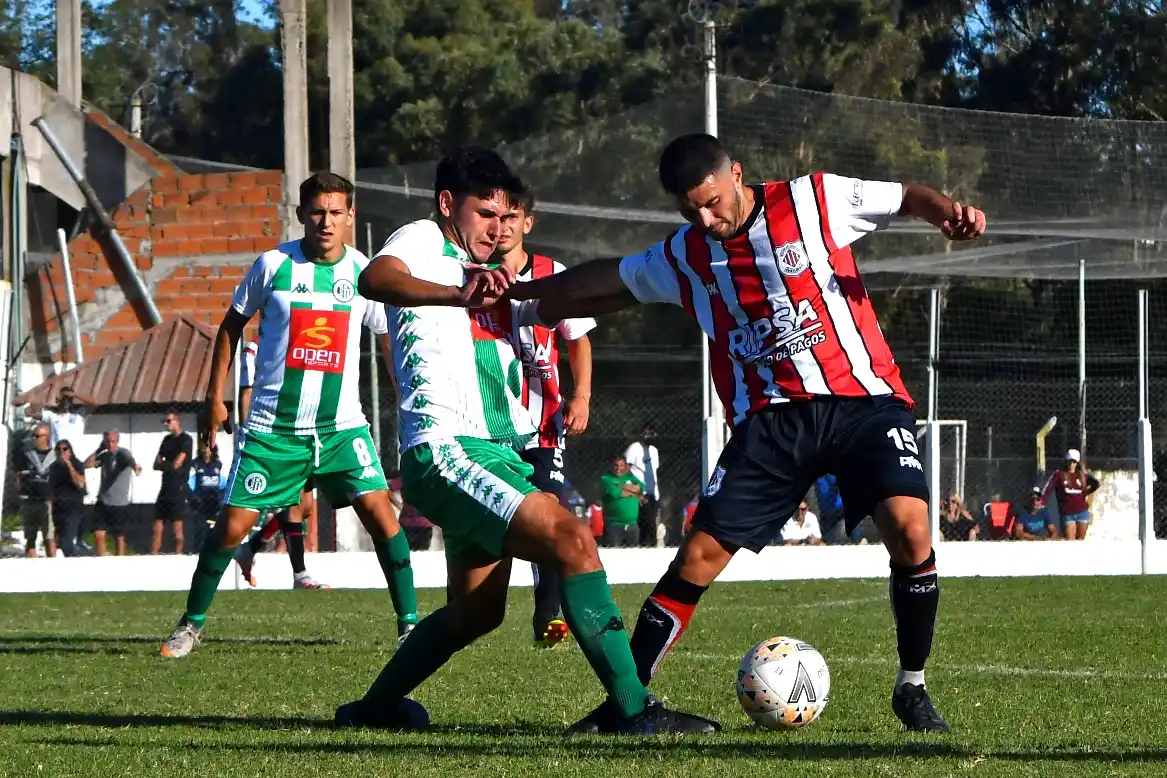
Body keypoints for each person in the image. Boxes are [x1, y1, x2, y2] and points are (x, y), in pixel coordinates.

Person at [507, 132, 988, 733]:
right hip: (770, 423)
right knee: (699, 556)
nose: (706, 219)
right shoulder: (684, 254)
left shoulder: (815, 198)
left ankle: (912, 688)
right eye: (691, 211)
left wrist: (947, 213)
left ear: (737, 173)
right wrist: (523, 294)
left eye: (713, 201)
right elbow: (611, 277)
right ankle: (625, 703)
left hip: (863, 401)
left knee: (912, 531)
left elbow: (907, 196)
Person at [341, 147, 713, 735]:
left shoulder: (493, 272)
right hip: (447, 450)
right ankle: (635, 712)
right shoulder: (422, 241)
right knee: (573, 539)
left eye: (505, 214)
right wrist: (454, 292)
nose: (497, 226)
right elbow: (373, 278)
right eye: (485, 212)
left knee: (476, 614)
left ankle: (372, 709)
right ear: (446, 205)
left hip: (496, 455)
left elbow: (567, 318)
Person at [160, 172, 419, 658]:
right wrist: (213, 398)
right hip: (273, 431)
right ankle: (191, 624)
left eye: (336, 212)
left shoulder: (364, 273)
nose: (326, 221)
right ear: (301, 214)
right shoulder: (273, 265)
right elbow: (231, 326)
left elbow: (387, 336)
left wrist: (403, 391)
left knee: (383, 516)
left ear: (350, 217)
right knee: (233, 527)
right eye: (317, 211)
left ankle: (410, 626)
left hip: (342, 427)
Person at [492, 184, 596, 648]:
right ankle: (471, 605)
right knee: (501, 520)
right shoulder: (474, 276)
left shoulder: (554, 274)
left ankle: (548, 613)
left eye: (513, 217)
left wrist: (582, 397)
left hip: (545, 422)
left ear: (527, 223)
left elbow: (578, 340)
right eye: (496, 216)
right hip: (490, 424)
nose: (504, 225)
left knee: (552, 510)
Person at [232, 338, 330, 590]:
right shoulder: (254, 350)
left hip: (302, 429)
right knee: (294, 505)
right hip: (275, 435)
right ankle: (301, 576)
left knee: (305, 506)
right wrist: (247, 433)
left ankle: (249, 548)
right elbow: (246, 392)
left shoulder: (301, 345)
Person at [85, 429, 142, 556]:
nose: (111, 445)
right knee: (99, 533)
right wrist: (98, 450)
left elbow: (130, 460)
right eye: (108, 442)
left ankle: (119, 561)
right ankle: (101, 559)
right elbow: (87, 464)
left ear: (117, 441)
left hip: (119, 503)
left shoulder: (122, 453)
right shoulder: (104, 455)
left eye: (113, 441)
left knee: (119, 537)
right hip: (103, 500)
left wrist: (136, 467)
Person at [152, 411, 193, 554]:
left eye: (169, 421)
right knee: (157, 524)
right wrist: (167, 465)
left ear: (177, 421)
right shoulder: (166, 440)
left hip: (178, 487)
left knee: (177, 526)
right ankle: (154, 553)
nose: (166, 424)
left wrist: (165, 465)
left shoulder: (186, 439)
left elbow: (178, 464)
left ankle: (178, 553)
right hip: (165, 486)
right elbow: (156, 463)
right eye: (165, 421)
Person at [1042, 448, 1099, 541]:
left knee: (1080, 540)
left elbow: (1096, 484)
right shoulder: (1059, 474)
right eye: (1069, 461)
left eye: (1074, 461)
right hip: (1067, 513)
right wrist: (1042, 501)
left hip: (1082, 512)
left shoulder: (1082, 475)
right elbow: (1048, 488)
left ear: (1077, 463)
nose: (1071, 464)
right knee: (1070, 541)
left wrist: (1085, 493)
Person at [17, 424, 55, 557]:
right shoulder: (27, 455)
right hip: (30, 499)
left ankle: (52, 566)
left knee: (49, 537)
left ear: (47, 437)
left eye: (37, 436)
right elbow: (19, 475)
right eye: (33, 435)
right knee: (30, 537)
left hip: (47, 501)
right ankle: (31, 567)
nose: (34, 438)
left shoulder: (54, 456)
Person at [22, 385, 99, 447]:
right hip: (55, 456)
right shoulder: (51, 415)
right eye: (63, 399)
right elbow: (28, 413)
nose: (66, 401)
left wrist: (74, 395)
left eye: (68, 399)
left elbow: (94, 403)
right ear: (58, 400)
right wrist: (40, 404)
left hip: (74, 455)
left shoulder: (80, 413)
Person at [48, 439, 87, 556]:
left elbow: (80, 484)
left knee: (67, 542)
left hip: (73, 508)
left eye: (65, 449)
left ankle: (77, 555)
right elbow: (50, 487)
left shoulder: (77, 464)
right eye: (58, 450)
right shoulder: (54, 467)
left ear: (70, 451)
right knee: (58, 541)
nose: (62, 452)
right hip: (58, 508)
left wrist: (69, 465)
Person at [624, 424, 661, 546]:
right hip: (639, 494)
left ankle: (651, 547)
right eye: (647, 433)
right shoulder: (634, 448)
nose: (650, 436)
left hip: (652, 494)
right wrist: (633, 491)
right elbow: (625, 468)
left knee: (652, 526)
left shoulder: (654, 451)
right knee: (643, 525)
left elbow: (653, 471)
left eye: (652, 433)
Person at [599, 456, 646, 547]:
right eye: (616, 466)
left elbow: (639, 487)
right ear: (611, 466)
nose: (618, 469)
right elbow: (616, 493)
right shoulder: (606, 479)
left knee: (633, 553)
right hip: (614, 525)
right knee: (614, 554)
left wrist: (620, 485)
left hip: (632, 524)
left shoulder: (630, 477)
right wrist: (632, 493)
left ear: (625, 466)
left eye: (621, 465)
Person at [190, 442, 226, 551]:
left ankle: (215, 549)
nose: (206, 450)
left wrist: (221, 497)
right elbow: (190, 482)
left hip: (215, 501)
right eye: (204, 448)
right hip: (200, 501)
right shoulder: (195, 464)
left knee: (216, 527)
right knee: (200, 528)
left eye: (209, 448)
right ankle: (198, 550)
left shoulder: (218, 464)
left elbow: (222, 482)